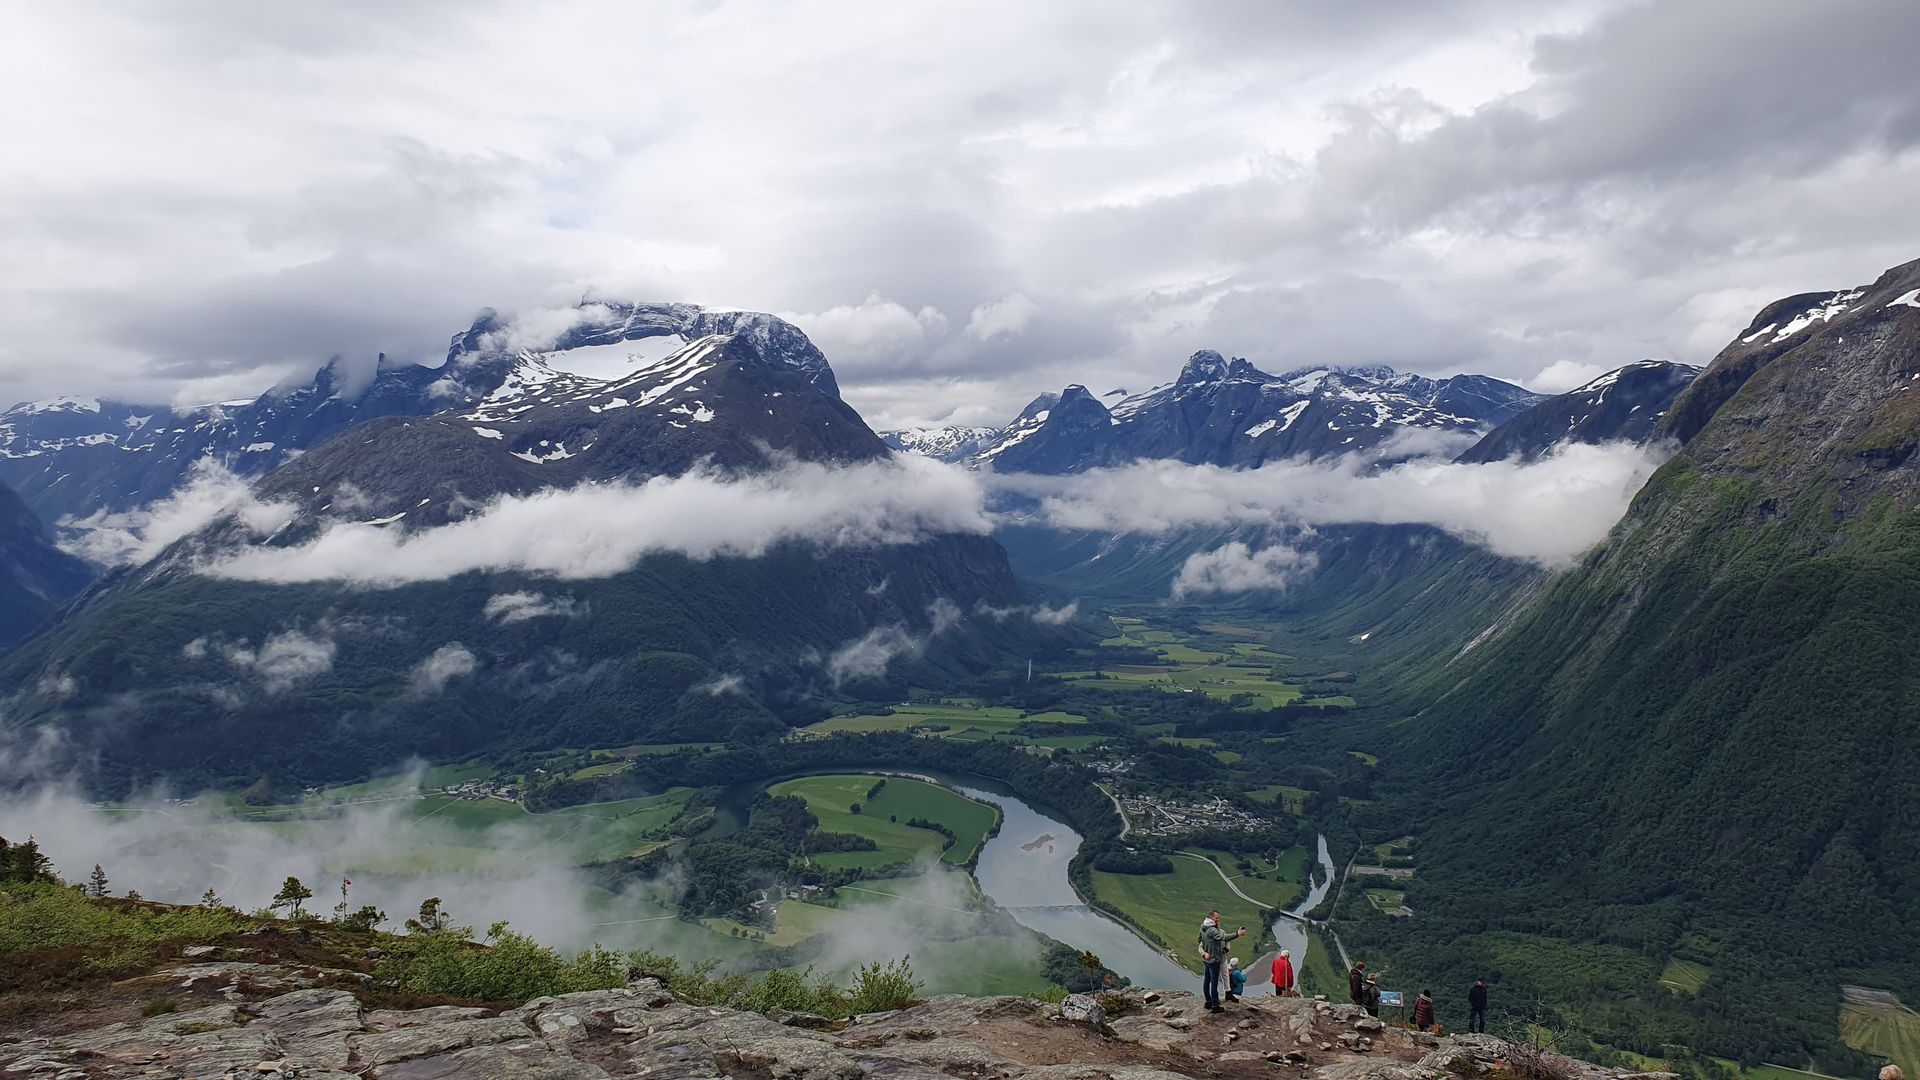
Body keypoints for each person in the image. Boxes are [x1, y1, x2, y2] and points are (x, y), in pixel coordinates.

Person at [1198, 910, 1246, 1013]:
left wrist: (1207, 948)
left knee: (1207, 981)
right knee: (1214, 983)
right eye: (1216, 918)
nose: (1218, 920)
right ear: (1211, 918)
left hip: (1208, 960)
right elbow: (1224, 938)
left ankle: (1208, 1002)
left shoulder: (1203, 927)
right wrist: (1237, 934)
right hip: (1214, 960)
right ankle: (1215, 1005)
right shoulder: (1213, 930)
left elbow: (1199, 940)